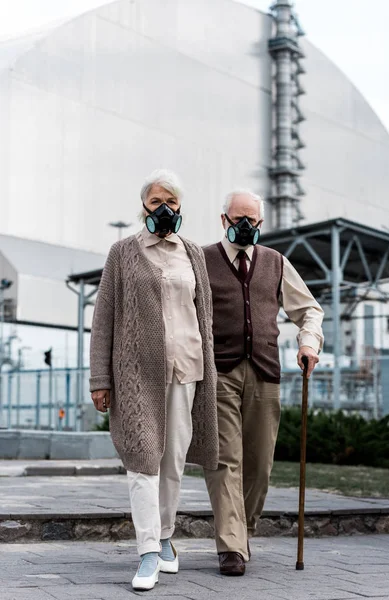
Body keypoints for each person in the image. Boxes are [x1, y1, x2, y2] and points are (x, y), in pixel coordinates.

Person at [89, 169, 218, 591]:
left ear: (181, 208)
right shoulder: (122, 252)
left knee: (173, 462)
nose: (164, 209)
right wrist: (100, 379)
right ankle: (146, 551)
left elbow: (205, 317)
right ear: (143, 206)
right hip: (136, 375)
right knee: (143, 457)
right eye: (156, 201)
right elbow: (103, 318)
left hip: (188, 368)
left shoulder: (194, 253)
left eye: (172, 203)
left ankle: (165, 538)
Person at [203, 190, 324, 576]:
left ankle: (243, 530)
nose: (245, 226)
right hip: (219, 373)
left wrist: (308, 343)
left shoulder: (276, 263)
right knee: (225, 460)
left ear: (260, 223)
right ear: (223, 220)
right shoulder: (202, 260)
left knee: (260, 464)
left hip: (266, 372)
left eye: (252, 220)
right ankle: (232, 545)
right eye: (238, 218)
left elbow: (309, 310)